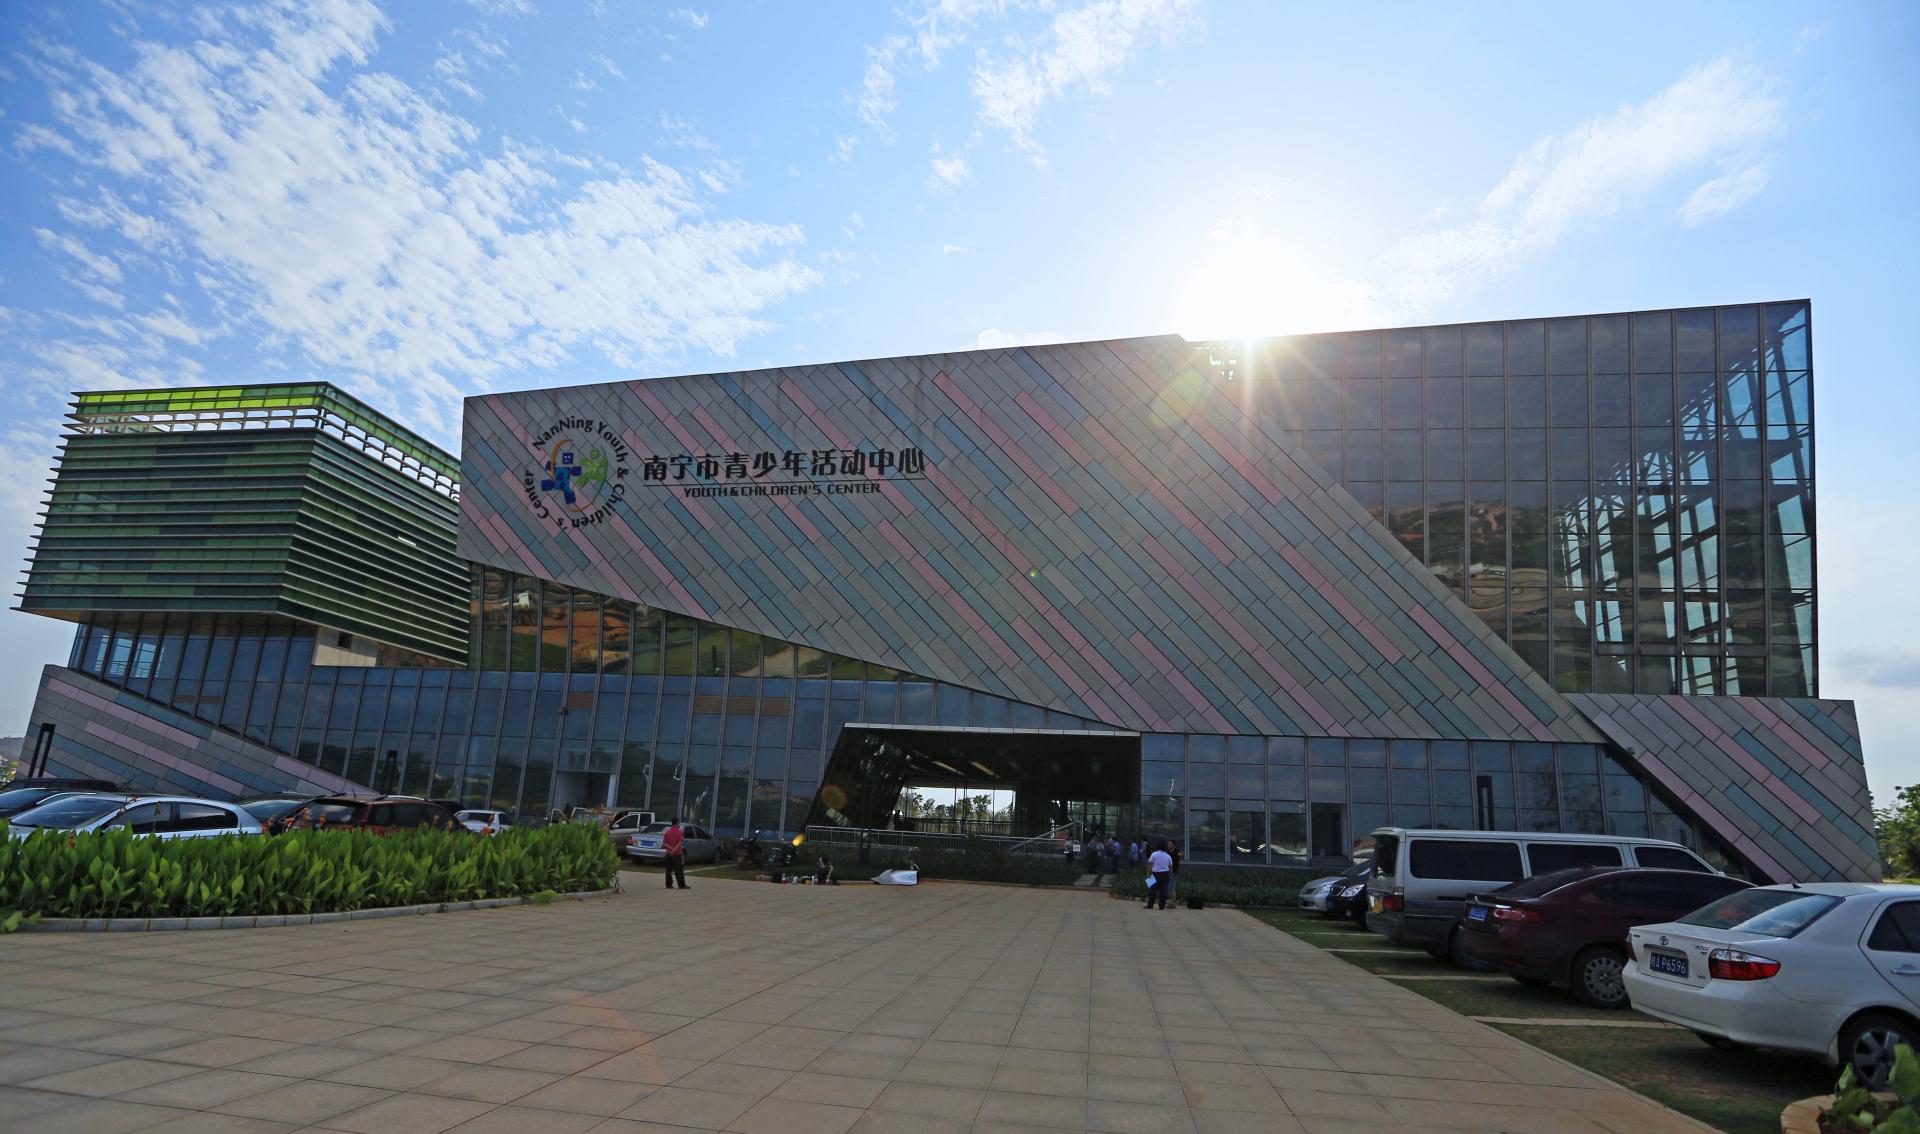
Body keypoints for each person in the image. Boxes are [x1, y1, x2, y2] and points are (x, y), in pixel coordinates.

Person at [662, 817, 689, 890]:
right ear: (677, 823)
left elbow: (664, 844)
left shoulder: (667, 832)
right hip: (677, 854)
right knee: (679, 870)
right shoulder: (680, 832)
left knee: (668, 870)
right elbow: (680, 842)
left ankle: (668, 884)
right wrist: (674, 849)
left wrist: (671, 848)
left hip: (668, 854)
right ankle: (682, 885)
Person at [1145, 842, 1173, 910]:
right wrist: (1170, 876)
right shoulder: (1168, 856)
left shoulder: (1154, 854)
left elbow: (1149, 864)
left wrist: (1148, 873)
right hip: (1165, 874)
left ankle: (1150, 905)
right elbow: (1170, 867)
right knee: (1163, 892)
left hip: (1154, 874)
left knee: (1152, 890)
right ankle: (1162, 906)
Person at [1165, 838, 1182, 907]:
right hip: (1167, 872)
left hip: (1174, 872)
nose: (1168, 845)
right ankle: (1172, 902)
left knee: (1171, 888)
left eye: (1170, 844)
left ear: (1173, 845)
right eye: (1167, 844)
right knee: (1169, 888)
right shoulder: (1167, 852)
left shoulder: (1177, 852)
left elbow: (1175, 861)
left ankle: (1173, 904)